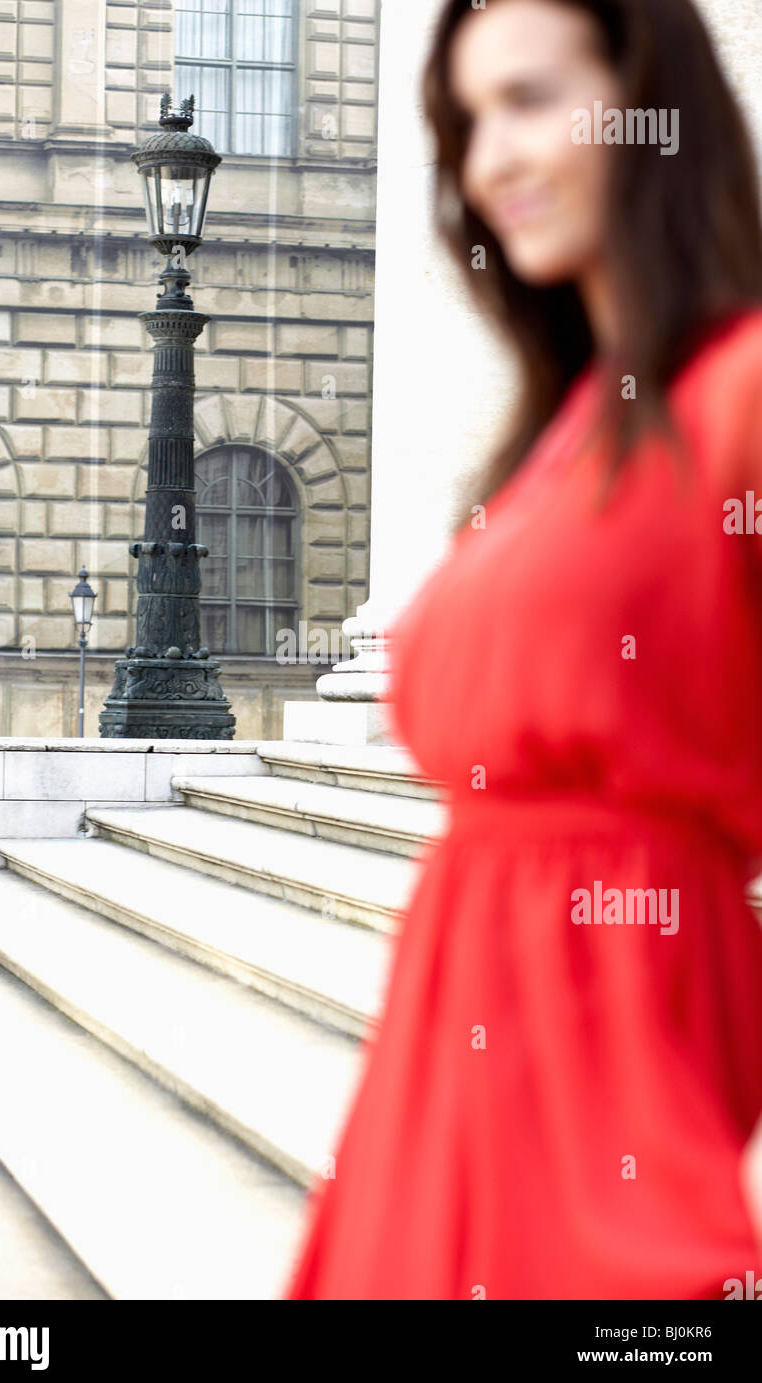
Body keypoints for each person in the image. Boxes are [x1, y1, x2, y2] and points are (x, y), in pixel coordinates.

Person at [285, 0, 762, 1299]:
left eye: (532, 97)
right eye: (466, 120)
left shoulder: (741, 396)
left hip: (613, 1071)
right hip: (442, 1082)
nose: (490, 157)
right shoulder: (563, 437)